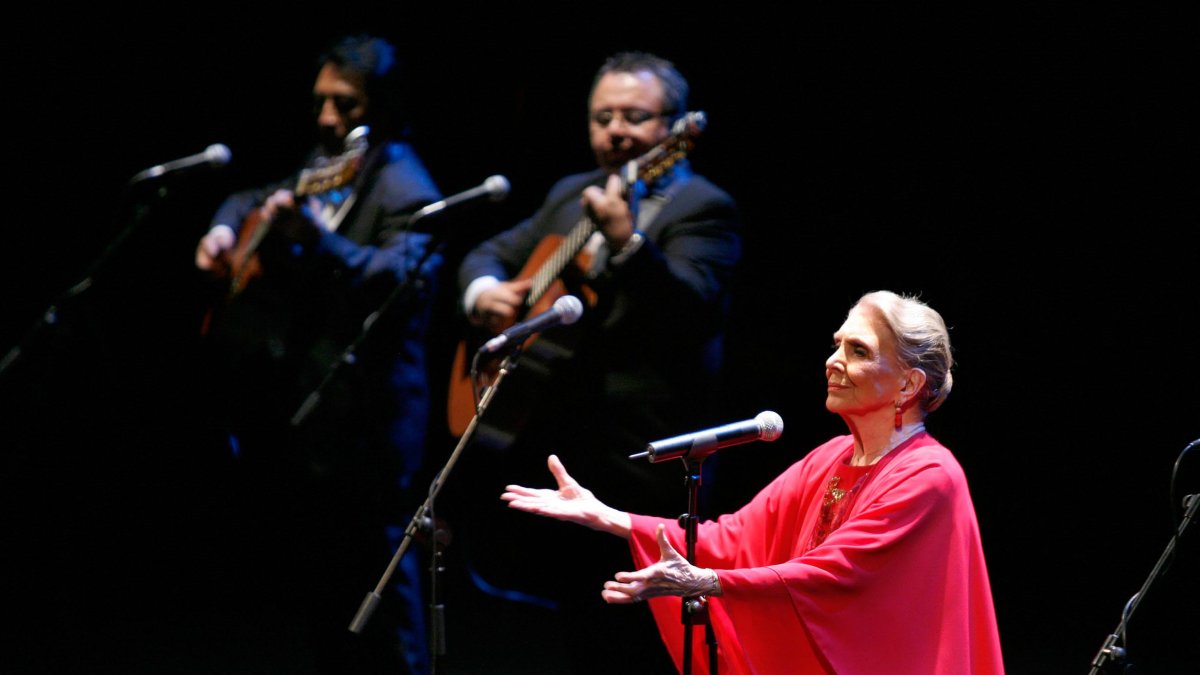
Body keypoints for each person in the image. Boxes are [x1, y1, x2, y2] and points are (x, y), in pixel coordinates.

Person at [501, 290, 1006, 675]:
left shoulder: (930, 475)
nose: (833, 361)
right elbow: (737, 538)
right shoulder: (833, 456)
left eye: (857, 350)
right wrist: (608, 516)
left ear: (908, 384)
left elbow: (834, 573)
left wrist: (707, 581)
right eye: (836, 345)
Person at [451, 51, 741, 672]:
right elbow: (488, 252)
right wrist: (486, 294)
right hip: (569, 453)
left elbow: (694, 311)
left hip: (649, 462)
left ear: (673, 128)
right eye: (601, 116)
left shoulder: (703, 208)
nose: (614, 130)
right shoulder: (567, 195)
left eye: (633, 116)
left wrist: (627, 243)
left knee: (645, 642)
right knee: (578, 631)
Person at [193, 34, 441, 675]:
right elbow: (251, 197)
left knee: (382, 595)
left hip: (373, 420)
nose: (328, 118)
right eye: (322, 103)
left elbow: (396, 281)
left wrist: (317, 244)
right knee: (323, 596)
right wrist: (225, 229)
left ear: (381, 108)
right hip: (316, 415)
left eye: (346, 105)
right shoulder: (327, 162)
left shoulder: (404, 184)